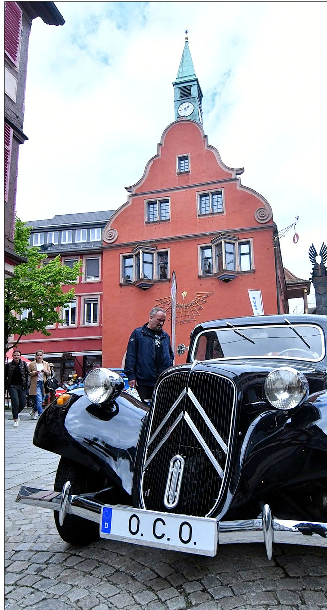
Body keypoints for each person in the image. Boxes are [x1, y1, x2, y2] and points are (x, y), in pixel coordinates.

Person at [124, 306, 174, 402]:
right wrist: (131, 376)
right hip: (143, 382)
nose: (161, 323)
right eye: (159, 320)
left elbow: (170, 355)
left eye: (163, 321)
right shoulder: (138, 334)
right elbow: (131, 356)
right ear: (150, 318)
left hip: (162, 381)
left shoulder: (165, 336)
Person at [5, 349, 30, 427]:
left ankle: (15, 413)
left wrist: (27, 384)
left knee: (23, 403)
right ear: (13, 356)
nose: (16, 357)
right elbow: (4, 376)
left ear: (20, 356)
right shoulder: (8, 365)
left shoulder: (23, 364)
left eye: (18, 355)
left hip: (22, 386)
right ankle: (15, 419)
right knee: (15, 402)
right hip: (12, 386)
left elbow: (28, 374)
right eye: (15, 355)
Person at [28, 350, 51, 419]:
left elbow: (49, 373)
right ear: (35, 356)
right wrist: (35, 373)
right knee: (39, 400)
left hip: (44, 384)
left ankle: (34, 410)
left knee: (43, 399)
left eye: (40, 355)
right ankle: (41, 414)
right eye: (38, 355)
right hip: (36, 383)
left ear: (42, 356)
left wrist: (45, 371)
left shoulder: (46, 364)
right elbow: (28, 373)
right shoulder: (32, 364)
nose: (39, 357)